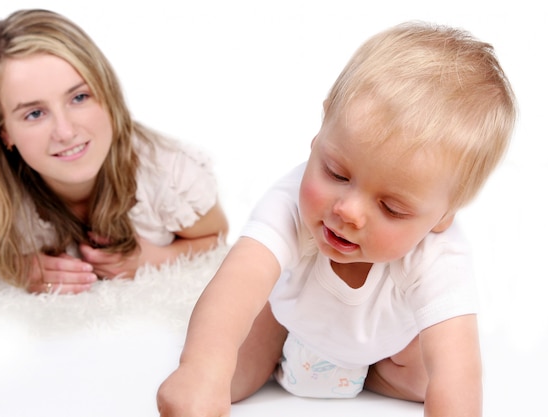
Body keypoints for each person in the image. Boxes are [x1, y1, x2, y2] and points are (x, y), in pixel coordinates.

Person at [157, 21, 515, 416]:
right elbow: (239, 280)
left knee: (429, 378)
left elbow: (458, 367)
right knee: (231, 359)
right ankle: (268, 361)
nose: (347, 211)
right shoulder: (290, 202)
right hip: (289, 326)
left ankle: (367, 378)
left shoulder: (438, 256)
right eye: (336, 174)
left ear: (443, 216)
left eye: (391, 208)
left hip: (388, 352)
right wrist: (202, 368)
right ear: (321, 130)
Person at [0, 9, 228, 294]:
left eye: (79, 97)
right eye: (35, 114)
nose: (65, 132)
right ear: (4, 133)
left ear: (107, 94)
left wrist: (156, 259)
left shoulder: (168, 173)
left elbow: (215, 235)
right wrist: (18, 268)